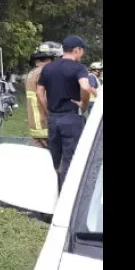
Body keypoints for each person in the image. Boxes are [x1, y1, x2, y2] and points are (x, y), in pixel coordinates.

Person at [37, 36, 98, 189]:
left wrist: (48, 111)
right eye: (82, 51)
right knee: (71, 160)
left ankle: (51, 193)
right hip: (71, 119)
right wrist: (83, 104)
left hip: (54, 118)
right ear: (77, 50)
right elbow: (85, 87)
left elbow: (39, 93)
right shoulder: (79, 68)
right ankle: (66, 196)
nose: (82, 55)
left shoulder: (48, 68)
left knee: (54, 159)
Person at [25, 41, 63, 148]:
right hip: (46, 125)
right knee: (55, 161)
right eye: (57, 58)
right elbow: (47, 98)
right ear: (49, 58)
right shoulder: (45, 72)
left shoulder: (33, 73)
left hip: (36, 127)